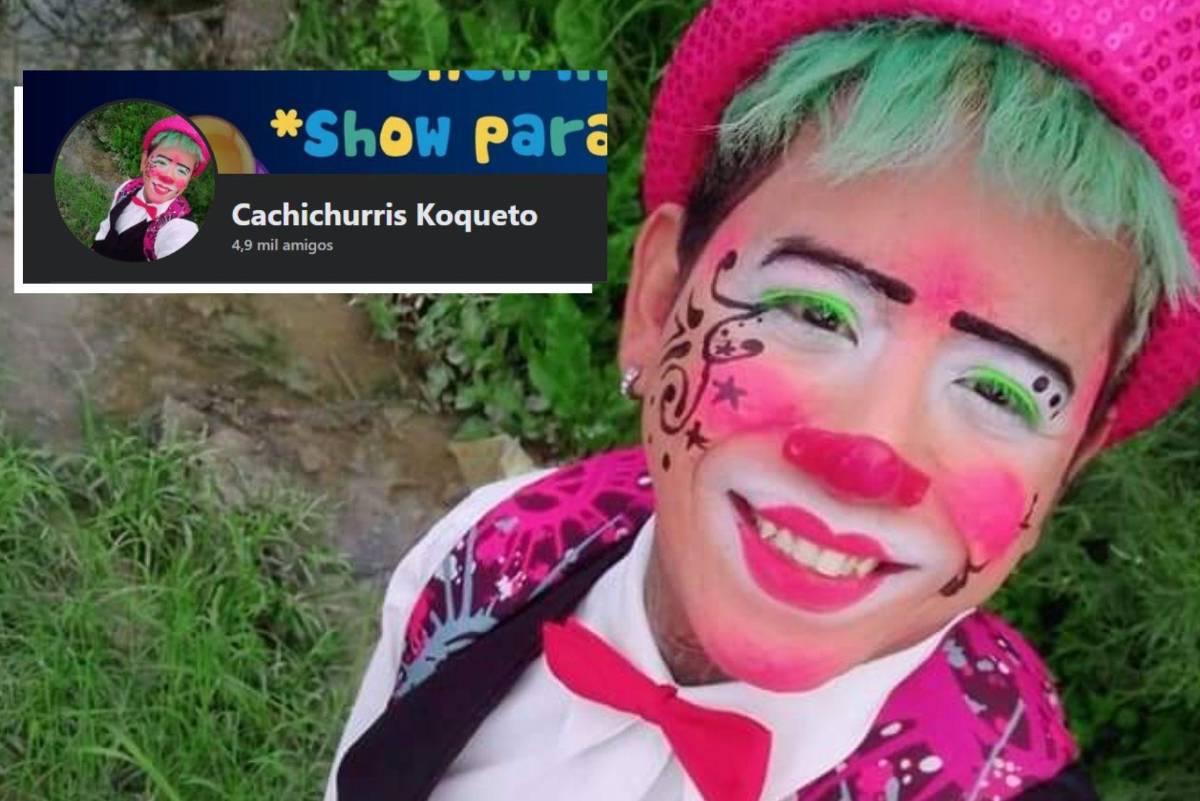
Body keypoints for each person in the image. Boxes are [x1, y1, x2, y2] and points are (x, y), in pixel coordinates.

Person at [326, 2, 1200, 800]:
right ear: (658, 302)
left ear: (1072, 460)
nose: (870, 454)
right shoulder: (492, 551)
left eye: (1000, 391)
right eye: (813, 311)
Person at [92, 114, 210, 261]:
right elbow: (106, 226)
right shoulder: (127, 188)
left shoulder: (180, 228)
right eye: (161, 162)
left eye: (182, 171)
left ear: (188, 181)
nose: (168, 176)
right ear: (144, 161)